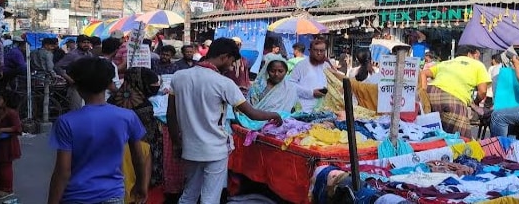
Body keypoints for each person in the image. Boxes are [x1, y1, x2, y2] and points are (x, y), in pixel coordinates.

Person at [167, 38, 282, 204]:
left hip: (190, 147)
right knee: (210, 198)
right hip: (215, 149)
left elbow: (171, 114)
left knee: (189, 194)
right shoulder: (224, 83)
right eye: (231, 62)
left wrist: (177, 143)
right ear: (224, 56)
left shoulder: (179, 77)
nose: (230, 67)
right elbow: (252, 114)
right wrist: (274, 115)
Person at [47, 57, 147, 204]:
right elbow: (139, 158)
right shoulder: (127, 117)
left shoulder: (66, 122)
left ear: (78, 86)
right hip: (112, 194)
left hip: (76, 196)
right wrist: (141, 185)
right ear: (108, 84)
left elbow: (63, 171)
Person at [419, 45, 491, 139]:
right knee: (463, 141)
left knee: (433, 135)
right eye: (477, 56)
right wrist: (475, 102)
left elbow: (423, 73)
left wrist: (424, 94)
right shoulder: (477, 65)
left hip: (431, 93)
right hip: (453, 99)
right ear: (469, 54)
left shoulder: (446, 62)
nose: (478, 59)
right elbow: (483, 91)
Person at [289, 38, 330, 113]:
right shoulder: (301, 65)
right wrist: (311, 93)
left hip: (322, 110)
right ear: (310, 50)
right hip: (304, 110)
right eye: (316, 50)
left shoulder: (326, 66)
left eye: (322, 51)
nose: (319, 53)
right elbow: (291, 85)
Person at [54, 35, 93, 111]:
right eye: (84, 42)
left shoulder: (89, 55)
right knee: (76, 110)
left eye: (88, 42)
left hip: (88, 86)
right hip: (76, 87)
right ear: (78, 43)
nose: (86, 44)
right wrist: (69, 79)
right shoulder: (72, 55)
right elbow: (57, 67)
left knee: (88, 109)